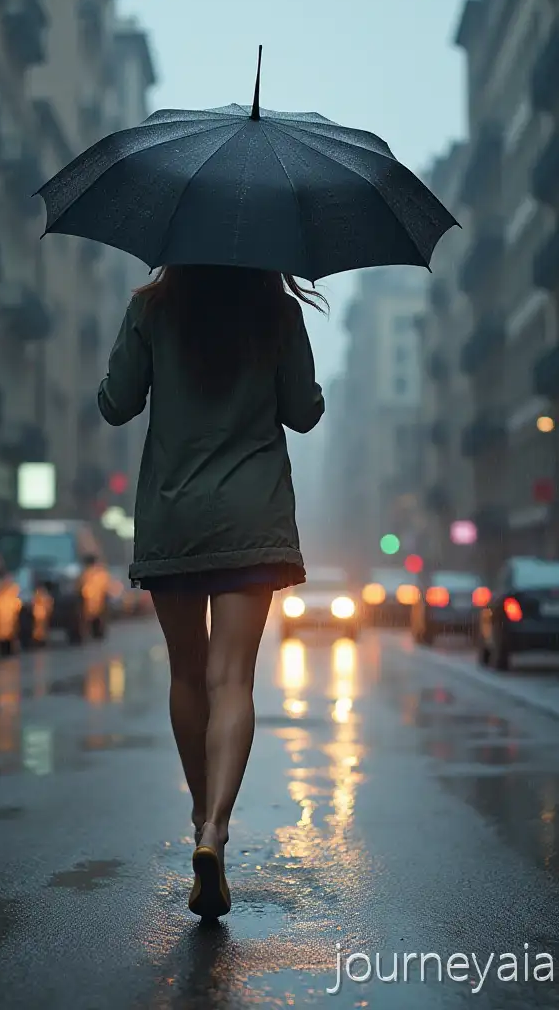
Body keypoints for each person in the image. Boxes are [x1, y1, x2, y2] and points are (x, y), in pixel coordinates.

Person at [97, 264, 325, 918]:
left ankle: (197, 814)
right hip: (252, 517)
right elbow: (304, 414)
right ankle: (217, 831)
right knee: (233, 680)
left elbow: (117, 404)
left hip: (174, 516)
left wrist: (117, 371)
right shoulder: (278, 312)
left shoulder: (152, 309)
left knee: (187, 675)